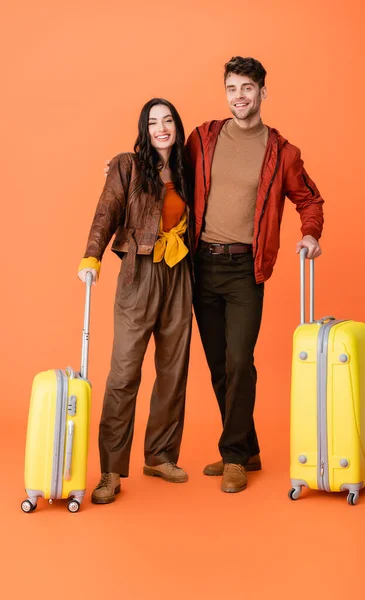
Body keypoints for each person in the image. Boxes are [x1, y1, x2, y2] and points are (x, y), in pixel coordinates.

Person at [104, 56, 324, 495]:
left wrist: (310, 235)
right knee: (220, 366)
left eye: (247, 88)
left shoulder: (283, 153)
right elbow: (161, 168)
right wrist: (120, 171)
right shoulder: (204, 138)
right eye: (232, 88)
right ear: (226, 93)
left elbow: (310, 200)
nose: (239, 96)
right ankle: (250, 446)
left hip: (247, 269)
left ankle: (235, 457)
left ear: (263, 92)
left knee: (241, 361)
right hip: (201, 267)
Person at [78, 98, 194, 504]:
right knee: (124, 372)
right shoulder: (126, 165)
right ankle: (110, 469)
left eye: (168, 121)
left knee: (173, 370)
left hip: (179, 272)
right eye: (153, 122)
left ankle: (160, 456)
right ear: (145, 130)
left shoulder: (189, 168)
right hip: (137, 272)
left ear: (177, 126)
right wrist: (91, 256)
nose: (161, 128)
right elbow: (105, 212)